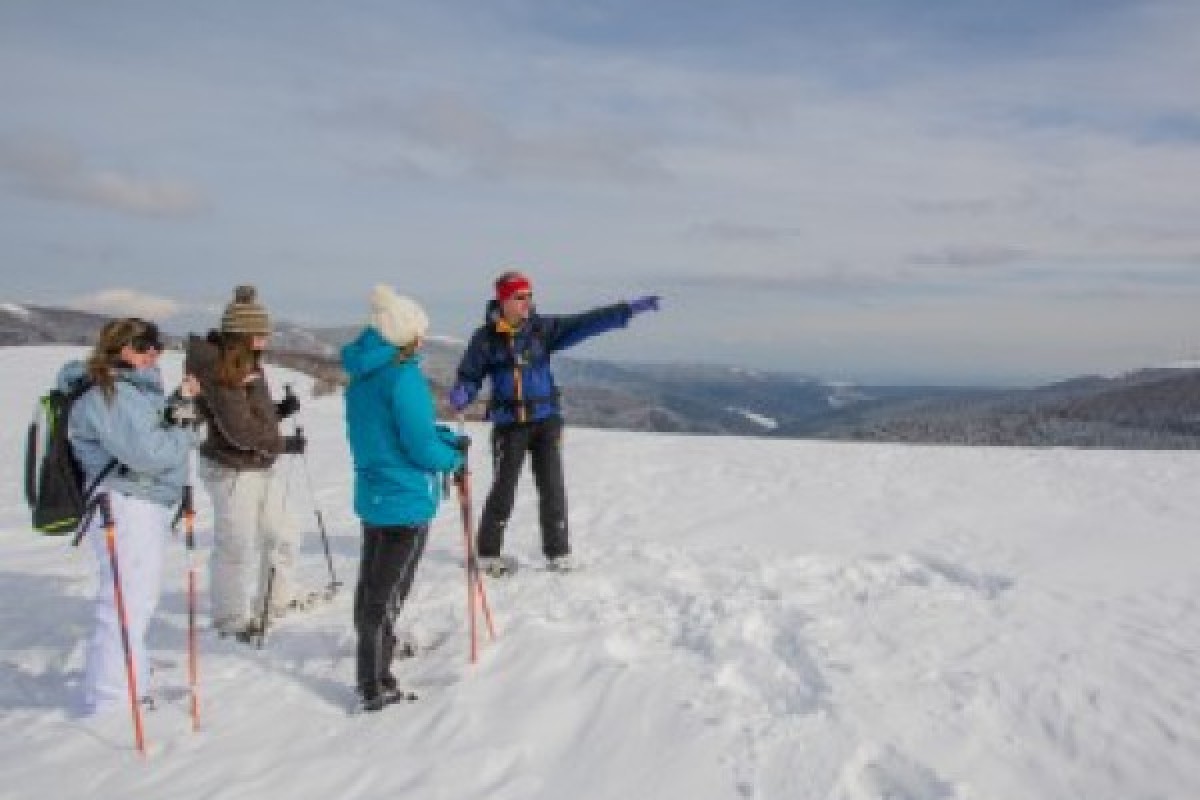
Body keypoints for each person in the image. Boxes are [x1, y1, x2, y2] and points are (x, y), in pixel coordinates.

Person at [447, 270, 660, 575]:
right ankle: (488, 554)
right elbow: (470, 375)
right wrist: (464, 392)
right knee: (503, 491)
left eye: (530, 295)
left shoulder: (542, 330)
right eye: (520, 296)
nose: (528, 302)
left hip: (546, 422)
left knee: (553, 489)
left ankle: (558, 553)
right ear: (504, 300)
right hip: (510, 426)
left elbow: (587, 323)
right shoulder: (485, 338)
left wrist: (627, 310)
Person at [63, 317, 200, 715]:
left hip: (138, 500)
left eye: (156, 345)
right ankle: (112, 698)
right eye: (142, 346)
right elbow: (150, 454)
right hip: (125, 503)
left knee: (135, 597)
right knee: (126, 600)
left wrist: (176, 404)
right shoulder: (110, 394)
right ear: (118, 348)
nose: (152, 353)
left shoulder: (131, 392)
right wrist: (186, 429)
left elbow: (148, 434)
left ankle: (124, 678)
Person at [342, 285, 465, 711]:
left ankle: (375, 663)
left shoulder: (363, 375)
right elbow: (419, 447)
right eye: (419, 333)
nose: (422, 340)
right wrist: (451, 456)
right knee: (388, 594)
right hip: (406, 498)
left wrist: (439, 438)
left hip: (375, 494)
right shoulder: (403, 376)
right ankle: (375, 683)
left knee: (372, 588)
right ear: (406, 335)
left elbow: (389, 435)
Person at [184, 285, 311, 640]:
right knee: (236, 545)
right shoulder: (218, 367)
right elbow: (238, 429)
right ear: (242, 336)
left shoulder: (247, 361)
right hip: (232, 469)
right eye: (260, 333)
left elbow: (251, 414)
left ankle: (276, 601)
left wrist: (279, 412)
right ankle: (230, 620)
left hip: (259, 463)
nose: (266, 339)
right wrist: (282, 442)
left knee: (284, 533)